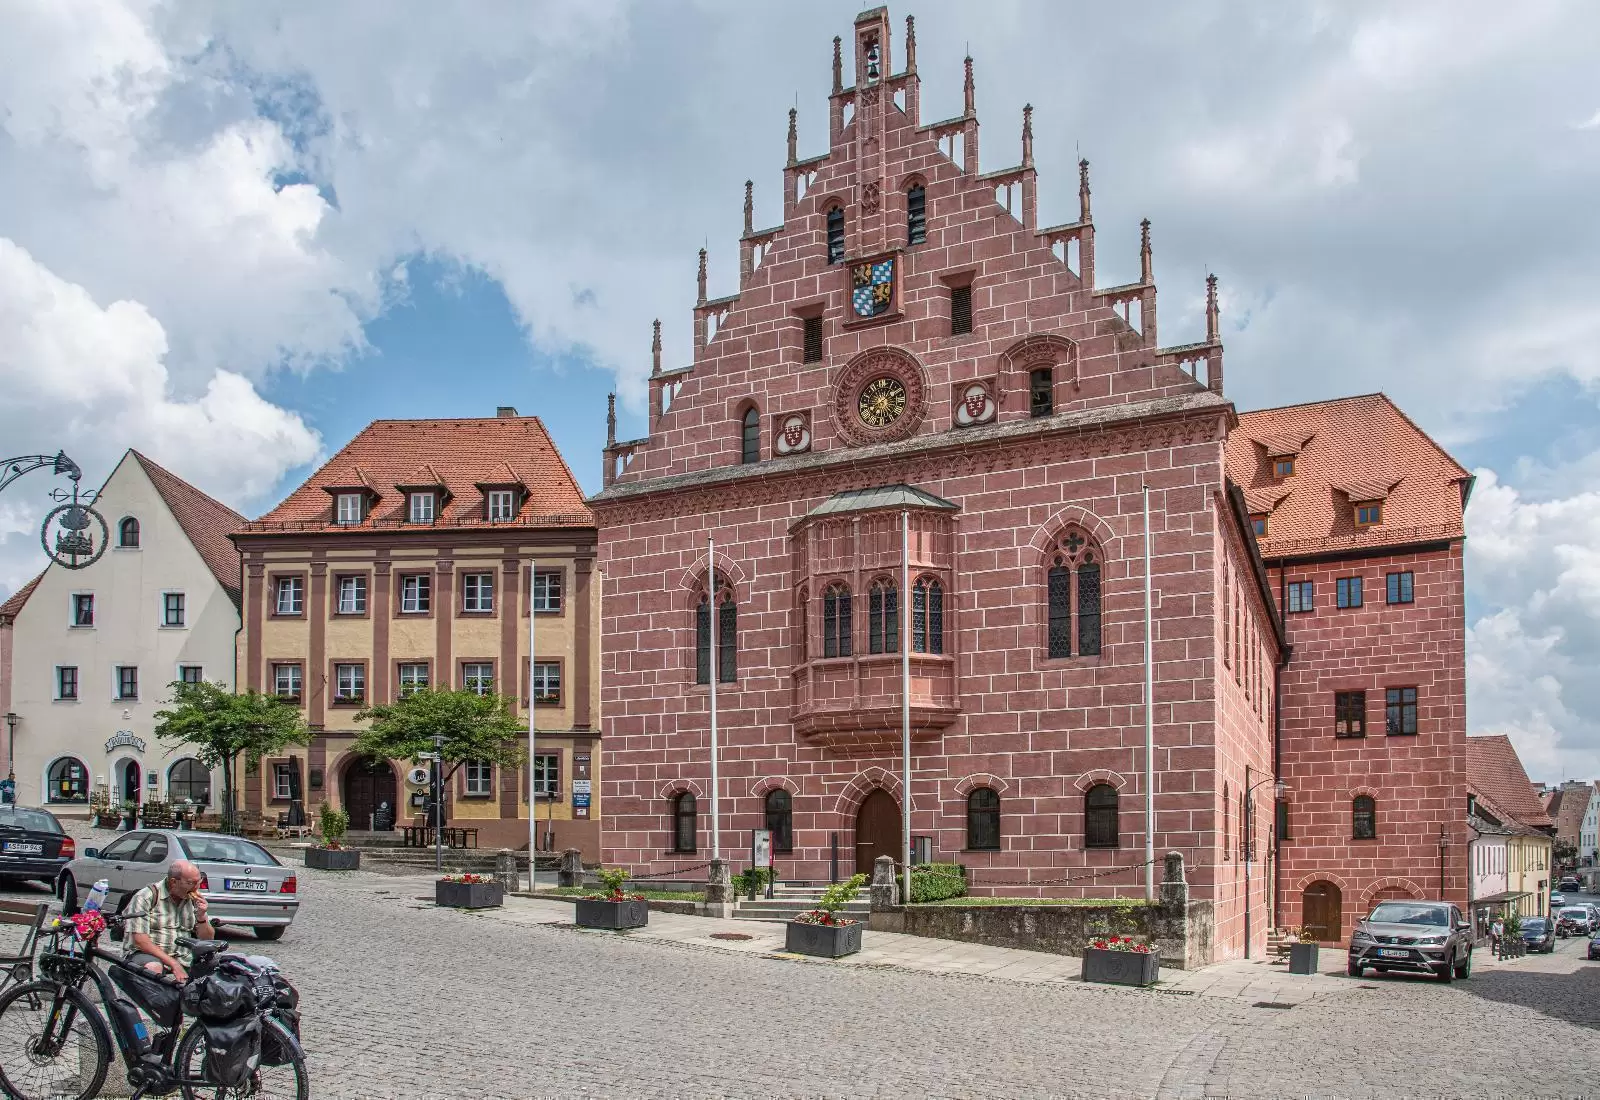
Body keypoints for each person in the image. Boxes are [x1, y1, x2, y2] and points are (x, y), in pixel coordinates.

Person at [124, 860, 215, 983]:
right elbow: (141, 941)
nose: (196, 887)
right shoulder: (146, 897)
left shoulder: (193, 900)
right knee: (153, 968)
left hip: (183, 957)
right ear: (173, 882)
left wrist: (202, 916)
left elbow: (207, 939)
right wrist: (174, 964)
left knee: (219, 968)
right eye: (191, 883)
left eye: (198, 882)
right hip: (148, 955)